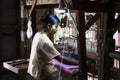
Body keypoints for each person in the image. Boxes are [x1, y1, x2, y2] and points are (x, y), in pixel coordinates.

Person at [27, 14, 78, 80]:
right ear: (48, 26)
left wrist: (64, 48)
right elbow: (59, 58)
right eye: (56, 27)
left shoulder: (39, 34)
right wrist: (79, 63)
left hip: (34, 69)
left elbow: (51, 45)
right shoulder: (45, 41)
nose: (57, 29)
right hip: (40, 70)